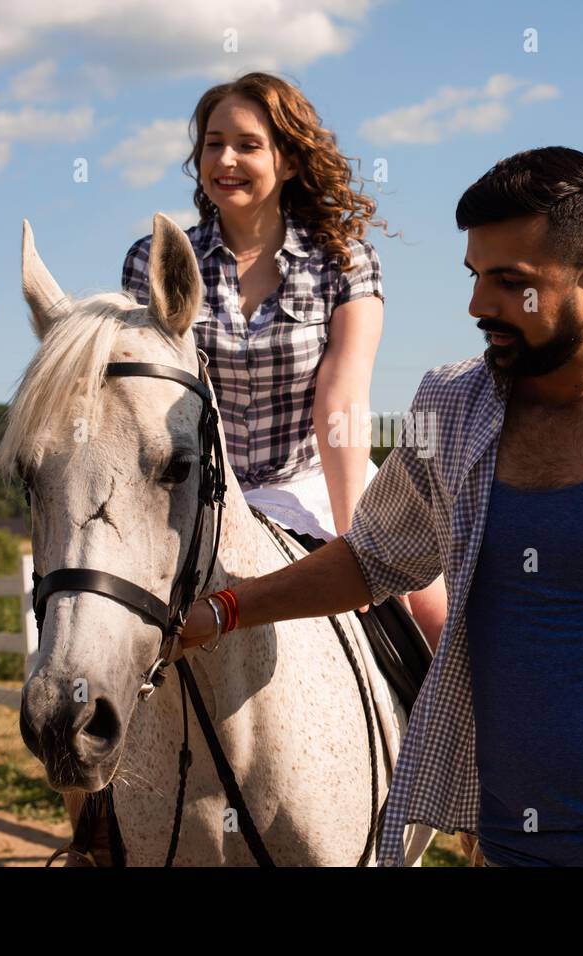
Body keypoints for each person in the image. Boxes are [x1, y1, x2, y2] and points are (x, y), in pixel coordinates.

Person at [179, 147, 583, 868]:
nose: (478, 305)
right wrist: (221, 612)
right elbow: (372, 558)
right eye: (475, 276)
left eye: (510, 283)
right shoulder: (453, 411)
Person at [121, 71, 447, 641]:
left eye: (248, 145)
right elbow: (139, 396)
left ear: (290, 162)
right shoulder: (155, 259)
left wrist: (355, 536)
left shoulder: (343, 261)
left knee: (434, 617)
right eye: (213, 143)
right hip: (199, 492)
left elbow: (342, 397)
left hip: (314, 478)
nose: (225, 159)